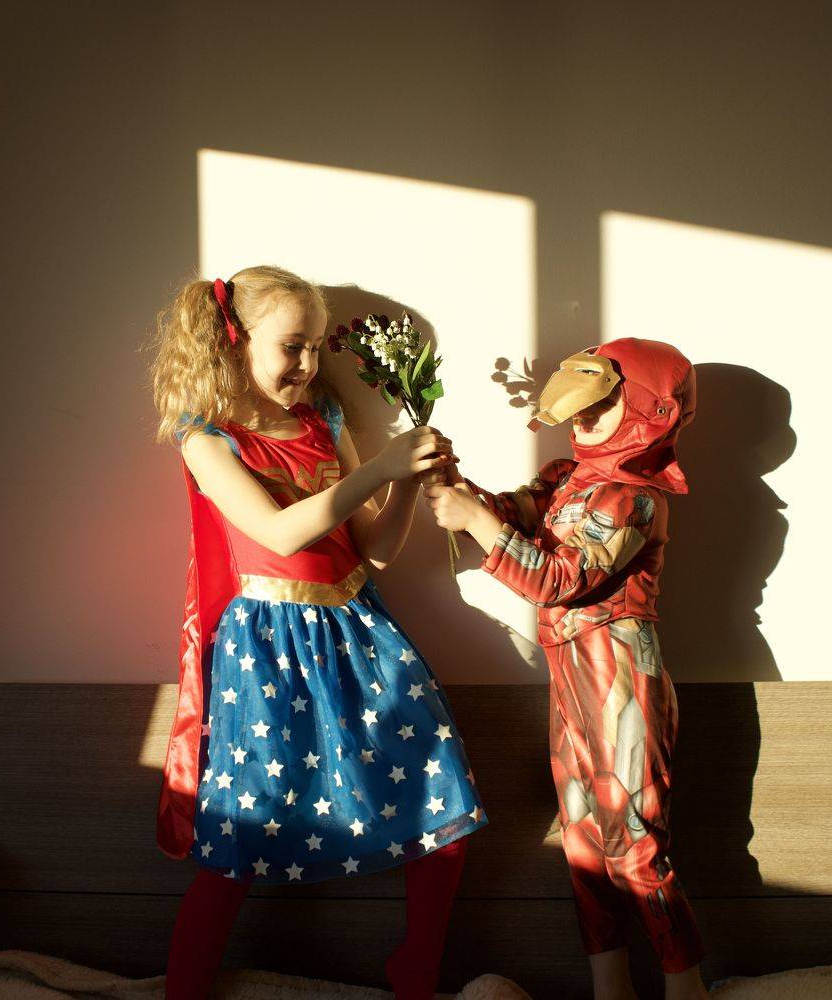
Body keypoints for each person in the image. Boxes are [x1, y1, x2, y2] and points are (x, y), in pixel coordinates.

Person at [149, 265, 487, 999]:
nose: (307, 365)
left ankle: (417, 966)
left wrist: (405, 481)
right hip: (268, 648)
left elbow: (376, 550)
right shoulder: (205, 437)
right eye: (290, 346)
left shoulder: (322, 420)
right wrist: (380, 468)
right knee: (240, 833)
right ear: (234, 341)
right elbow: (276, 530)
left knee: (440, 789)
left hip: (357, 631)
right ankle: (184, 989)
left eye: (315, 348)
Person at [424, 339, 708, 1000]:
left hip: (619, 672)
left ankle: (686, 987)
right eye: (585, 403)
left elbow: (558, 579)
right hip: (570, 676)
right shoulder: (564, 478)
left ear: (647, 412)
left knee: (634, 842)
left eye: (605, 404)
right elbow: (510, 515)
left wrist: (477, 520)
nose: (585, 416)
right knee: (582, 847)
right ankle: (610, 987)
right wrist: (455, 484)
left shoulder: (635, 499)